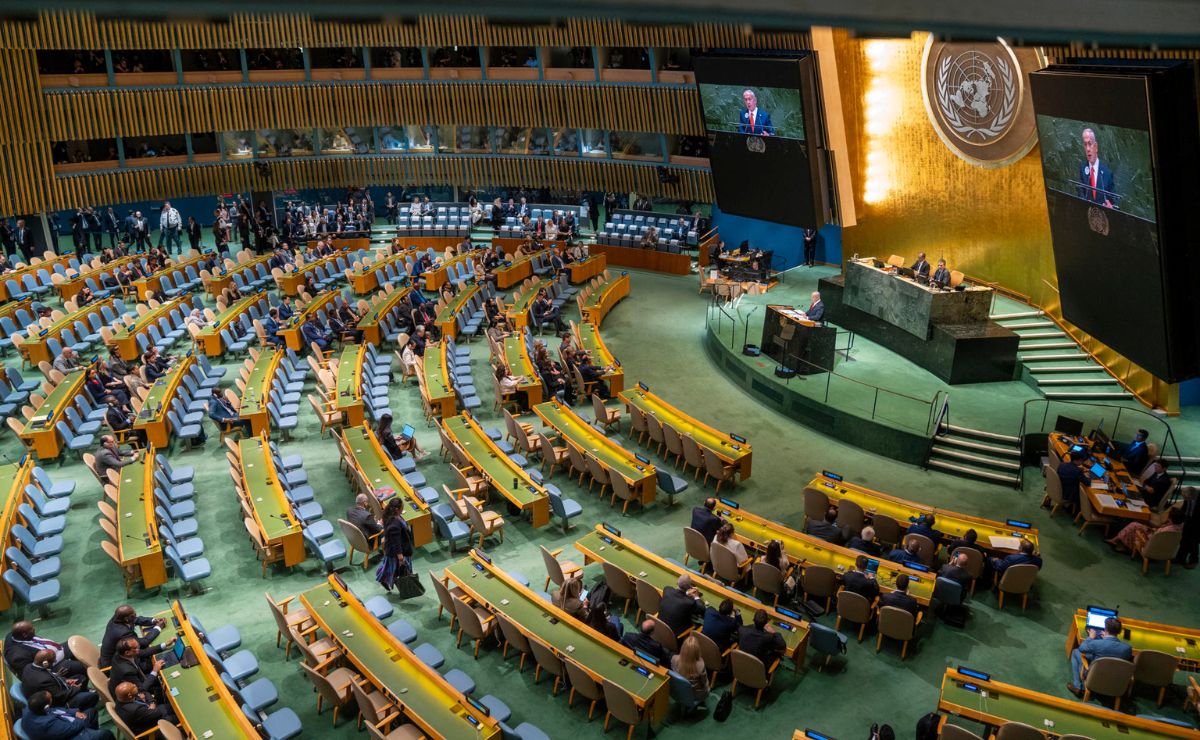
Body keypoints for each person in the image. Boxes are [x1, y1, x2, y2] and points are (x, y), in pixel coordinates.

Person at [1066, 616, 1132, 697]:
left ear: (1105, 629)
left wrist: (1090, 637)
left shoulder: (1097, 644)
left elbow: (1081, 648)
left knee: (1075, 651)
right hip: (1114, 680)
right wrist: (1106, 639)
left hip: (1094, 677)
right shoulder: (1127, 649)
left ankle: (1078, 687)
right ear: (1119, 632)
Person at [4, 623, 88, 681]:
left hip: (54, 652)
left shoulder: (13, 634)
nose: (34, 629)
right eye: (31, 629)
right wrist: (55, 675)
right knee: (83, 666)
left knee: (77, 646)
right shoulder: (18, 657)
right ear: (25, 635)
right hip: (51, 668)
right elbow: (31, 675)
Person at [22, 650, 98, 711]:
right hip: (57, 703)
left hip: (56, 689)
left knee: (81, 677)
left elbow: (52, 675)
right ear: (45, 663)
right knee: (93, 696)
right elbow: (60, 696)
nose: (54, 662)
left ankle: (82, 693)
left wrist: (66, 680)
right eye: (53, 661)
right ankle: (80, 712)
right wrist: (76, 688)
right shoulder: (43, 680)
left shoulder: (29, 667)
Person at [20, 690, 111, 740]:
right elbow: (71, 728)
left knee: (92, 711)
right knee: (104, 734)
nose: (52, 699)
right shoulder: (47, 724)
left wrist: (74, 712)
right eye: (51, 699)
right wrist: (82, 719)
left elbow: (55, 710)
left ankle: (89, 730)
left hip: (63, 725)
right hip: (67, 735)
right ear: (46, 706)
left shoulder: (32, 707)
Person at [99, 606, 169, 668]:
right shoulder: (123, 633)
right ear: (126, 619)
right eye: (133, 615)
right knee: (154, 663)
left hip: (111, 655)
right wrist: (158, 627)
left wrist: (154, 621)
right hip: (114, 664)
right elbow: (145, 642)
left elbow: (136, 619)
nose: (136, 616)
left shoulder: (118, 617)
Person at [107, 638, 165, 702]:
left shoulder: (121, 654)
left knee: (160, 676)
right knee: (162, 688)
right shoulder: (126, 671)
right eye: (136, 648)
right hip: (130, 696)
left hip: (138, 678)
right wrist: (155, 670)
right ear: (127, 652)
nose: (139, 649)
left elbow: (144, 652)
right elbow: (141, 688)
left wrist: (165, 644)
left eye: (138, 646)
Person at [1107, 506, 1184, 554]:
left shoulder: (1167, 529)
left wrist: (1147, 530)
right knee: (1136, 525)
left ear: (1171, 518)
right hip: (1164, 548)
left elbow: (1154, 537)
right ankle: (1116, 539)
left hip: (1150, 544)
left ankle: (1118, 541)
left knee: (1134, 525)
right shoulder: (1179, 527)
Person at [377, 498, 414, 592]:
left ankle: (387, 580)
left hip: (393, 549)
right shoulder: (394, 523)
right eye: (402, 507)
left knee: (392, 569)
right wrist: (401, 558)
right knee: (397, 570)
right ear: (397, 509)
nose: (403, 509)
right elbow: (396, 542)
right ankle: (406, 589)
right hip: (397, 552)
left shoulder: (390, 515)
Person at [1077, 128, 1115, 208]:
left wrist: (1111, 207)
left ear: (1096, 146)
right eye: (1085, 144)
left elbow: (1114, 202)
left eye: (1090, 144)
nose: (1087, 149)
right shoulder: (1082, 169)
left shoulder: (1107, 173)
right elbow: (1080, 195)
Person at [671, 634, 710, 702]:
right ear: (697, 651)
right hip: (695, 694)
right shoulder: (700, 665)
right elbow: (704, 682)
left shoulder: (674, 659)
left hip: (679, 690)